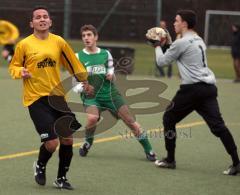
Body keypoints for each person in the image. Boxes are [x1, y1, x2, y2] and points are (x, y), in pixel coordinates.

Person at [9, 6, 93, 190]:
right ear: (32, 23)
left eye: (45, 16)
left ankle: (61, 178)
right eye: (38, 17)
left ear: (50, 21)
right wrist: (19, 71)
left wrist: (85, 81)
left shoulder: (58, 42)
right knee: (52, 142)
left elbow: (73, 63)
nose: (42, 19)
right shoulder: (24, 44)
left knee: (68, 139)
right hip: (35, 99)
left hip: (57, 97)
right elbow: (14, 65)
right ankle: (40, 165)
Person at [153, 10, 240, 175]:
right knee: (218, 127)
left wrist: (157, 45)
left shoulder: (182, 42)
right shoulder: (198, 39)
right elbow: (179, 51)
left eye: (176, 20)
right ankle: (237, 162)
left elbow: (161, 61)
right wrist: (166, 44)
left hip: (191, 90)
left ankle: (170, 160)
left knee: (168, 118)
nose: (174, 23)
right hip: (208, 89)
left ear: (184, 23)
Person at [72, 24, 156, 161]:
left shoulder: (106, 53)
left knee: (130, 121)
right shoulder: (78, 56)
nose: (86, 38)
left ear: (96, 37)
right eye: (83, 36)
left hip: (110, 94)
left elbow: (111, 71)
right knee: (92, 118)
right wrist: (83, 88)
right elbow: (74, 84)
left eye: (89, 35)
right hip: (92, 97)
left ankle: (149, 149)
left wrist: (112, 76)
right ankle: (88, 141)